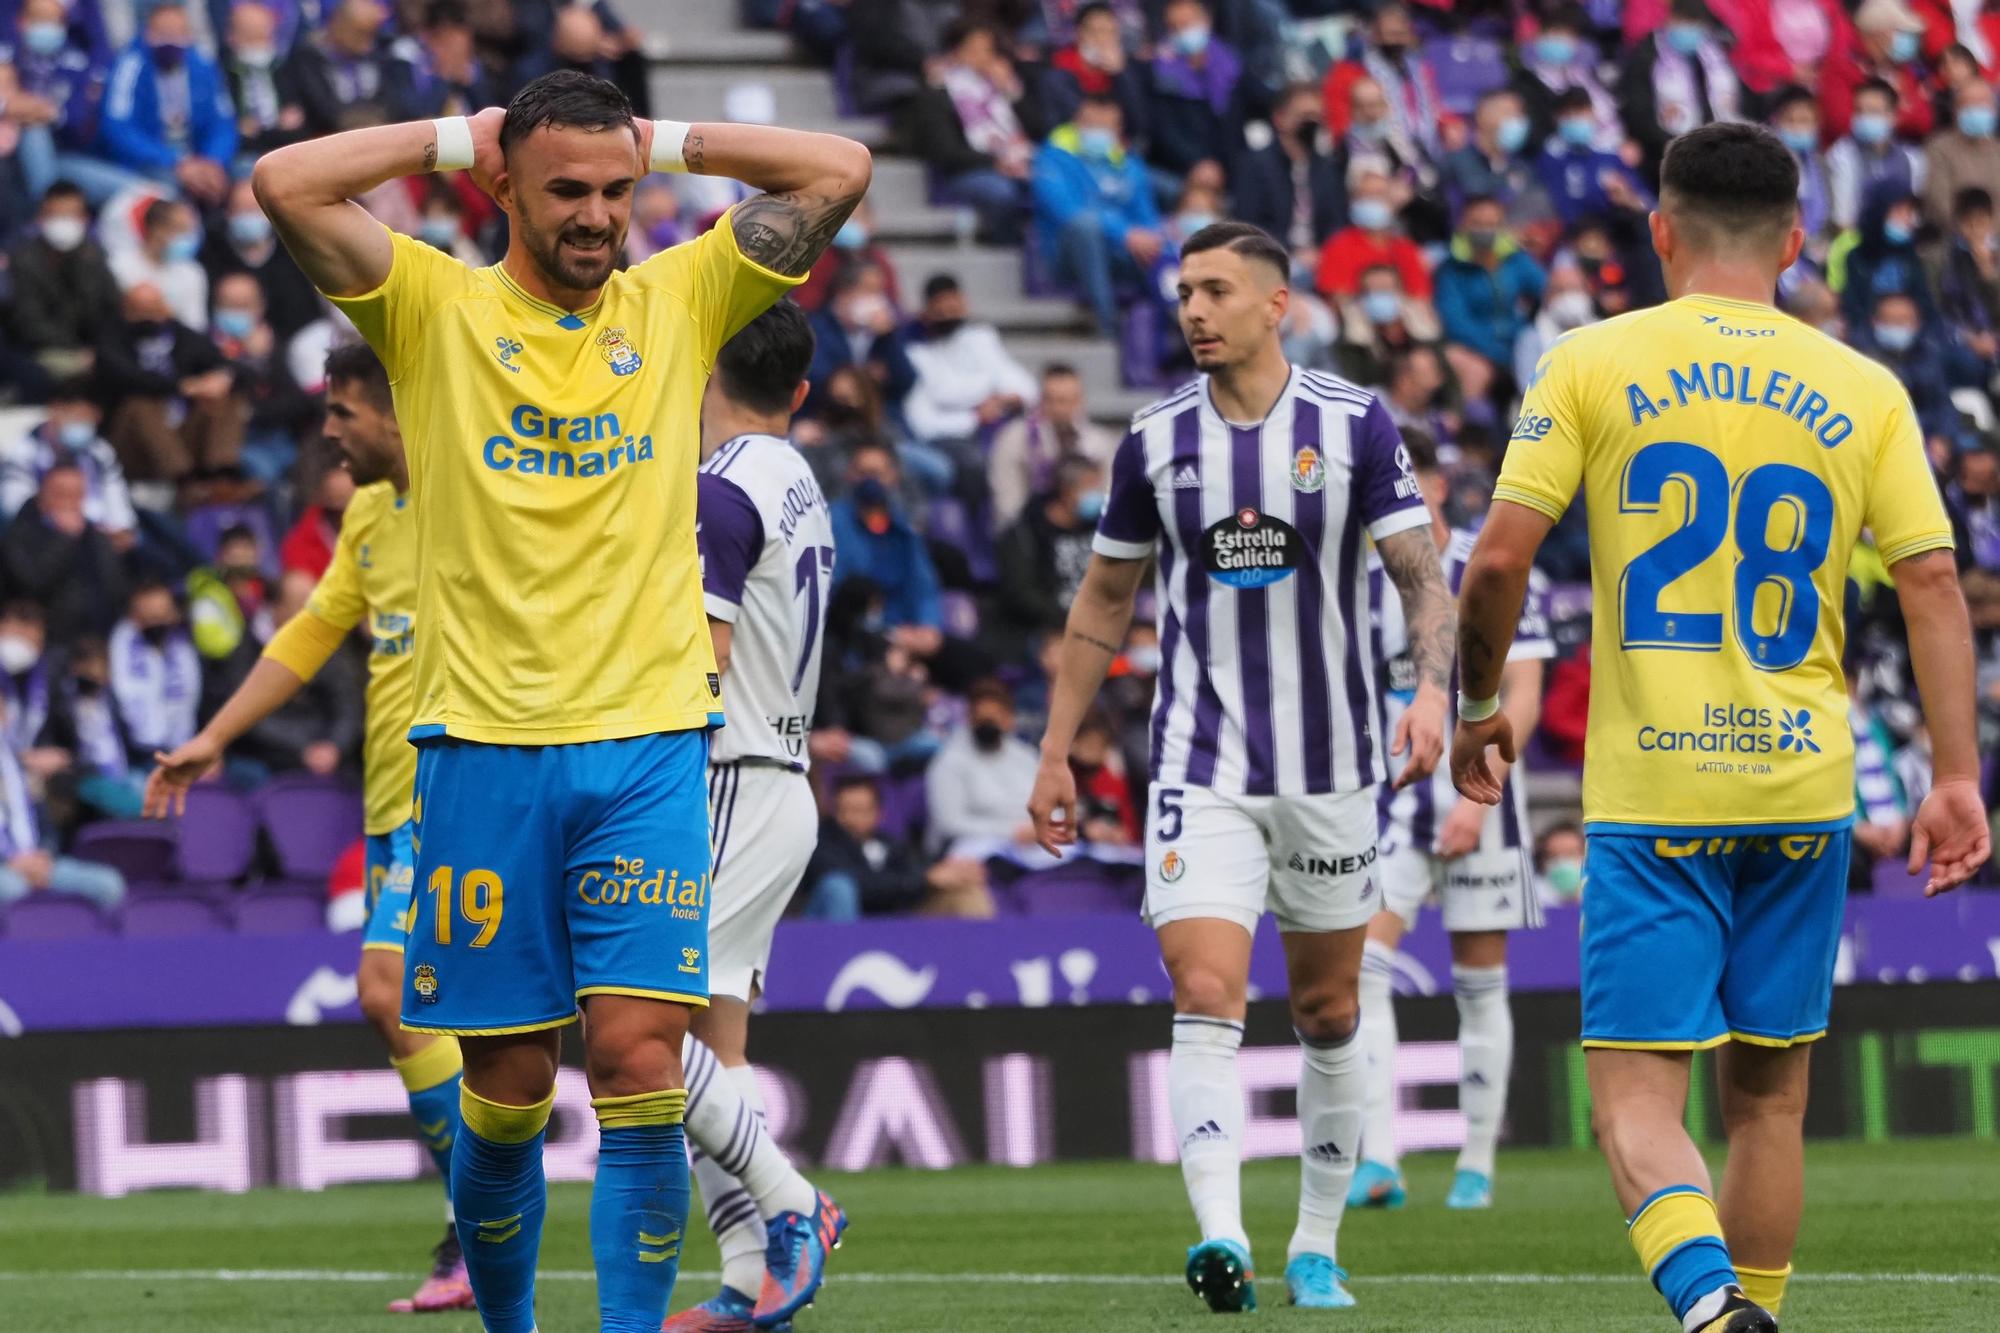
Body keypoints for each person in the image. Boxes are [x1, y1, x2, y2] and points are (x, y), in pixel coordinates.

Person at [250, 68, 869, 1331]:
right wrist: (448, 136)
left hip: (647, 749)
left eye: (616, 190)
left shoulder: (683, 295)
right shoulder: (429, 305)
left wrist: (668, 139)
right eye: (566, 190)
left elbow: (836, 168)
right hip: (482, 755)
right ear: (504, 189)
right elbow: (284, 182)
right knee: (511, 1093)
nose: (597, 214)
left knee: (640, 1067)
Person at [1449, 123, 1989, 1333]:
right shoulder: (1866, 387)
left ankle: (1704, 1306)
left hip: (1655, 796)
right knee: (1769, 1106)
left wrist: (1475, 703)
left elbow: (1494, 564)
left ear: (1658, 230)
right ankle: (1751, 1315)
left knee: (1636, 1104)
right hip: (1803, 792)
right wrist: (1954, 777)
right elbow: (1933, 585)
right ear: (1796, 242)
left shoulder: (1589, 360)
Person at [1029, 221, 1454, 1314]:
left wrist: (1432, 693)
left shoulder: (1352, 422)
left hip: (1334, 765)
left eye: (1215, 290)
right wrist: (1056, 746)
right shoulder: (1155, 438)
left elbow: (1418, 571)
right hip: (1198, 761)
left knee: (1324, 1013)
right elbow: (1104, 601)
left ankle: (1314, 1244)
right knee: (1206, 988)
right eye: (1182, 293)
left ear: (1276, 304)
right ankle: (1220, 1236)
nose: (1192, 311)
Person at [143, 343, 474, 1314]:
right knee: (436, 1011)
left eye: (342, 412)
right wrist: (214, 734)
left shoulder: (479, 490)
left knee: (394, 995)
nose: (328, 434)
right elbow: (313, 629)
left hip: (456, 788)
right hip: (390, 802)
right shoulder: (370, 512)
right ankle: (486, 1221)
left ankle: (483, 1217)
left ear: (395, 410)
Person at [669, 301, 844, 1330]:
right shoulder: (796, 479)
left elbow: (701, 662)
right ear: (800, 391)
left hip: (725, 775)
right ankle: (746, 1278)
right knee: (710, 1049)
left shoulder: (720, 488)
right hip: (776, 776)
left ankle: (793, 1204)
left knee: (627, 1020)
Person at [1349, 435, 1552, 1213]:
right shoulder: (1365, 582)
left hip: (1484, 799)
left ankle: (1475, 1164)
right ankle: (1381, 1157)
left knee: (1479, 982)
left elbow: (1523, 689)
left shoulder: (1486, 562)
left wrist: (1478, 795)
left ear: (1434, 483)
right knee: (1365, 964)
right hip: (1392, 800)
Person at [1031, 93, 1163, 335]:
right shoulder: (1051, 158)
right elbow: (1067, 212)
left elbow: (1147, 216)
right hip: (1067, 255)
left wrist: (1150, 238)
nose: (1098, 131)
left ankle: (1172, 327)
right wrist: (1124, 233)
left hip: (1121, 252)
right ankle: (1107, 323)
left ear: (1118, 128)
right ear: (1077, 123)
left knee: (1170, 246)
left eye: (1106, 126)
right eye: (1091, 124)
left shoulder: (1129, 164)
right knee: (1085, 228)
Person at [96, 0, 234, 206]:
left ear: (189, 36)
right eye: (162, 32)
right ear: (147, 34)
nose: (170, 40)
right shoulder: (129, 65)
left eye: (177, 33)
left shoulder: (203, 66)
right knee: (168, 190)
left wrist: (213, 162)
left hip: (200, 161)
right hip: (148, 165)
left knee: (245, 179)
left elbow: (223, 124)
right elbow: (117, 129)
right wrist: (176, 163)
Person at [990, 453, 1105, 665]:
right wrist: (1068, 620)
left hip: (1100, 624)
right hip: (1044, 630)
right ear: (1066, 490)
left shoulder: (1103, 529)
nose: (1098, 495)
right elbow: (1021, 594)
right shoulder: (1024, 534)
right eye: (1091, 487)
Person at [902, 273, 1039, 448]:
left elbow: (1021, 384)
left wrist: (1004, 399)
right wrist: (977, 413)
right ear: (927, 311)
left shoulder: (979, 336)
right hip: (951, 434)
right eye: (941, 311)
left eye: (954, 308)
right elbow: (944, 393)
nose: (948, 315)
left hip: (991, 421)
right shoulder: (916, 351)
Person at [8, 182, 121, 387]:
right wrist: (77, 350)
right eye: (56, 216)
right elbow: (28, 323)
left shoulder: (93, 255)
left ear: (84, 219)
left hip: (95, 349)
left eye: (71, 215)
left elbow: (112, 308)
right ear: (41, 218)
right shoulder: (23, 260)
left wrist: (100, 349)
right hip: (45, 350)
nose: (63, 223)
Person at [1, 463, 128, 645]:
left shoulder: (97, 537)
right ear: (42, 497)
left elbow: (116, 586)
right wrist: (65, 538)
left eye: (76, 494)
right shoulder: (19, 535)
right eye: (61, 494)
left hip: (99, 640)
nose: (69, 502)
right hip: (46, 640)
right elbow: (31, 584)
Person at [0, 378, 136, 545]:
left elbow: (116, 498)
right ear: (55, 410)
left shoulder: (99, 451)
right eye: (78, 417)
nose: (84, 425)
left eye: (90, 419)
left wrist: (120, 528)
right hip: (44, 538)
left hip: (98, 537)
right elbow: (14, 507)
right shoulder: (23, 452)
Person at [987, 362, 1118, 528]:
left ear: (1081, 400)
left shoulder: (1100, 444)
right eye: (1051, 400)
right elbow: (1007, 504)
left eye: (1067, 401)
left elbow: (1110, 498)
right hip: (1031, 534)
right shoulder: (1014, 439)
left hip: (1087, 533)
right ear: (1040, 400)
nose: (1060, 409)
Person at [1231, 81, 1346, 265]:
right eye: (1305, 116)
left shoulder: (1327, 168)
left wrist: (1323, 253)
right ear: (1280, 118)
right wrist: (1290, 252)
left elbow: (1336, 224)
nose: (1312, 123)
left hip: (1320, 263)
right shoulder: (1255, 164)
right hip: (1270, 261)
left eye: (1317, 116)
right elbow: (1248, 224)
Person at [1824, 77, 1925, 234]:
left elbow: (1914, 216)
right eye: (1859, 111)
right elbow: (1842, 219)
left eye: (1873, 112)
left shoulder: (1913, 159)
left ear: (1893, 116)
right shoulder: (1841, 155)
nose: (1864, 118)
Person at [107, 195, 208, 331]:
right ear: (156, 228)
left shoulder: (193, 273)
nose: (187, 239)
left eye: (189, 231)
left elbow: (196, 328)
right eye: (180, 230)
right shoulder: (118, 266)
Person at [1923, 80, 2000, 233]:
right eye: (1969, 105)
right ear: (1956, 110)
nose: (1977, 110)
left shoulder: (1997, 149)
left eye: (1983, 104)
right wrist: (1974, 234)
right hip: (1951, 240)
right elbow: (1939, 203)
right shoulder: (1938, 148)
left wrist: (1990, 236)